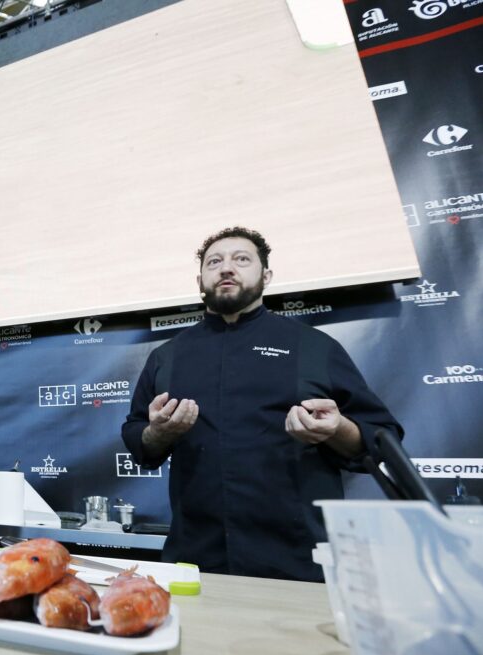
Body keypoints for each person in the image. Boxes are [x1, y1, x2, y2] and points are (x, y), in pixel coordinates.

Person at [121, 227, 402, 581]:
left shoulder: (314, 347)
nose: (226, 268)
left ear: (266, 275)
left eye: (241, 259)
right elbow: (137, 439)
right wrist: (157, 433)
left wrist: (338, 429)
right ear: (200, 279)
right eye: (215, 262)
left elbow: (381, 440)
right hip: (195, 559)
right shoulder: (167, 357)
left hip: (299, 561)